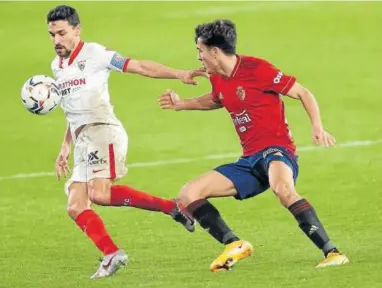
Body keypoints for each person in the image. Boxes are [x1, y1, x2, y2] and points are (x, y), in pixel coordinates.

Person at [158, 19, 349, 272]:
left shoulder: (258, 69)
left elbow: (303, 92)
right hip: (249, 162)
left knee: (282, 189)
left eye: (200, 50)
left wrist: (317, 126)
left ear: (215, 52)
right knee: (188, 193)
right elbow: (217, 100)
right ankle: (234, 244)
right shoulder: (217, 78)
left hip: (277, 151)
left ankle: (333, 252)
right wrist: (181, 104)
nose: (198, 56)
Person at [47, 5, 200, 279]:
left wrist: (179, 73)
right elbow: (72, 110)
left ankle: (171, 207)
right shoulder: (56, 67)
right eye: (51, 35)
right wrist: (65, 147)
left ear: (77, 30)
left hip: (103, 130)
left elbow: (139, 66)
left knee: (99, 194)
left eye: (61, 33)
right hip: (83, 139)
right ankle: (112, 253)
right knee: (75, 205)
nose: (57, 40)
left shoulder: (95, 54)